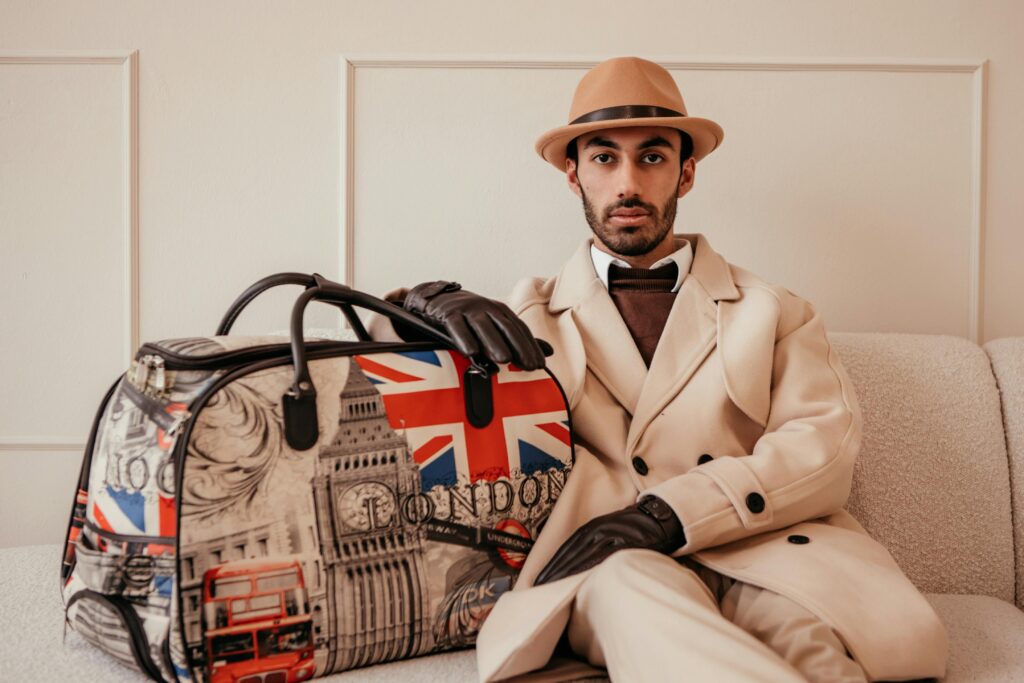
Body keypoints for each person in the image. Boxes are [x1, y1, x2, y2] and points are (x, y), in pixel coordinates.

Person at [370, 57, 948, 682]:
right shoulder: (526, 315)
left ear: (686, 172)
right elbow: (379, 359)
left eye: (651, 157)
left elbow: (823, 451)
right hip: (611, 567)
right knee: (632, 593)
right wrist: (423, 299)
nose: (627, 183)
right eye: (602, 158)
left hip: (764, 552)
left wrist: (668, 515)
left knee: (818, 652)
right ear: (573, 176)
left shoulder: (774, 310)